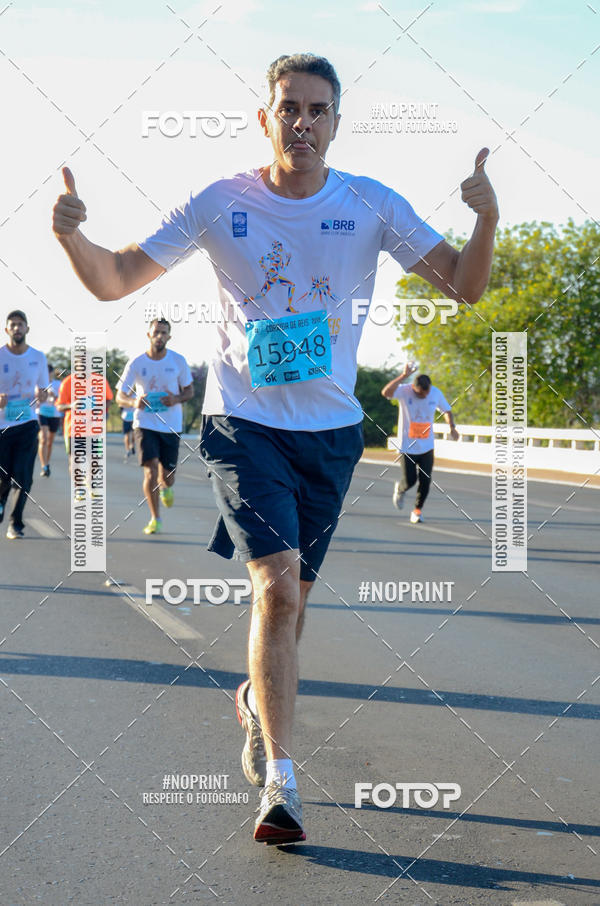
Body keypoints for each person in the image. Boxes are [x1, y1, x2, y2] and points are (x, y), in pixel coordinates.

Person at [52, 53, 498, 843]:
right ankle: (282, 787)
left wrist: (486, 220)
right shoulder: (222, 200)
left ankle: (257, 702)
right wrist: (70, 237)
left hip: (331, 437)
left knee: (295, 607)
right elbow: (116, 278)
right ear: (265, 118)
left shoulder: (370, 203)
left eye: (317, 110)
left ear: (336, 123)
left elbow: (463, 285)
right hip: (242, 426)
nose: (302, 123)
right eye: (289, 108)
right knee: (279, 591)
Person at [116, 319, 193, 535]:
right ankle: (155, 518)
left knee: (167, 476)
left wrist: (176, 399)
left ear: (169, 337)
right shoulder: (136, 362)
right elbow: (120, 395)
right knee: (150, 471)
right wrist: (134, 402)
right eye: (156, 332)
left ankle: (167, 487)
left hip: (171, 426)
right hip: (145, 423)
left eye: (164, 333)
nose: (159, 336)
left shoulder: (178, 361)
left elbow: (190, 391)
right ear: (148, 335)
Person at [382, 363, 459, 523]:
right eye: (420, 394)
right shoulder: (404, 390)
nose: (424, 396)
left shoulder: (435, 393)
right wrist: (403, 376)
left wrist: (452, 427)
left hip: (427, 447)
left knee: (425, 480)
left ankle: (417, 511)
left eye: (426, 393)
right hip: (407, 447)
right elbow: (386, 392)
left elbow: (447, 410)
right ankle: (400, 488)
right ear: (413, 388)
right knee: (410, 481)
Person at [0, 311, 48, 539]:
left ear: (27, 329)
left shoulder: (38, 357)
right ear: (6, 330)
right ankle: (1, 503)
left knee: (23, 477)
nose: (17, 328)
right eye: (13, 325)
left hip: (28, 423)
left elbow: (44, 391)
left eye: (21, 324)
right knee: (3, 477)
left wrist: (42, 395)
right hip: (2, 426)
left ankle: (15, 523)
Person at [56, 369, 113, 496]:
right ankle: (79, 489)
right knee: (75, 461)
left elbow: (109, 399)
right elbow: (59, 406)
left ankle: (91, 483)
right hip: (74, 429)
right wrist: (71, 406)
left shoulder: (99, 380)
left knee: (95, 459)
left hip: (95, 428)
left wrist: (100, 407)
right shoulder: (68, 382)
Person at [37, 363, 63, 477]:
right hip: (42, 412)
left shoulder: (58, 384)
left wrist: (54, 395)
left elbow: (62, 399)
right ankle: (44, 466)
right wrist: (43, 395)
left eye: (49, 372)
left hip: (55, 414)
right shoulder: (39, 383)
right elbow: (36, 398)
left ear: (52, 373)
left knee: (50, 442)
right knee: (43, 439)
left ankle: (47, 463)